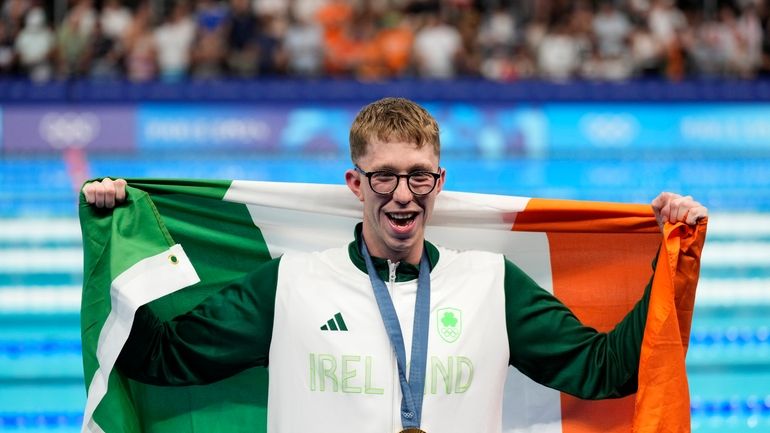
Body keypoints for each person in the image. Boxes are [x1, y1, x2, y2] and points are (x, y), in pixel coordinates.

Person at [82, 97, 707, 433]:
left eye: (417, 176)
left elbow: (608, 371)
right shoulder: (292, 284)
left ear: (440, 181)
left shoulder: (491, 284)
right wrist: (116, 234)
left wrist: (669, 260)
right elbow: (161, 357)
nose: (402, 194)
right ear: (356, 181)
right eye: (384, 175)